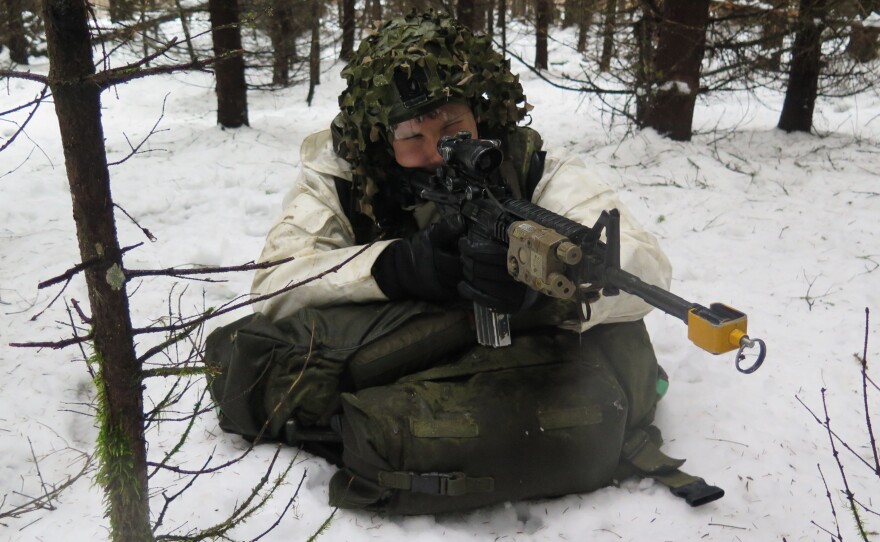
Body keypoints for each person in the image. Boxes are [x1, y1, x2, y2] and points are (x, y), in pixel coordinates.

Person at [207, 9, 695, 513]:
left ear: (481, 114)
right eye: (411, 138)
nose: (439, 151)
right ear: (379, 139)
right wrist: (394, 268)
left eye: (453, 126)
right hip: (401, 357)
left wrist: (542, 287)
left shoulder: (531, 166)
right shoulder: (343, 177)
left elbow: (642, 266)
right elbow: (273, 284)